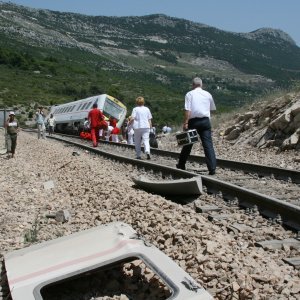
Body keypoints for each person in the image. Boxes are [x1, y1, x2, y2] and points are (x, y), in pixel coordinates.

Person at [177, 77, 217, 175]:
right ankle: (212, 168)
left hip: (193, 122)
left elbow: (188, 110)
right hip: (205, 121)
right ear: (201, 85)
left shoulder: (189, 94)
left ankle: (181, 164)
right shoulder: (208, 94)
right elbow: (212, 108)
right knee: (208, 145)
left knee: (188, 144)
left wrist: (185, 122)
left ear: (193, 85)